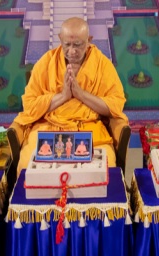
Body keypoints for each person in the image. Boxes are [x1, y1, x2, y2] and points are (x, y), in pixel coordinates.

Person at [11, 17, 127, 170]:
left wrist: (81, 94)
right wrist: (63, 96)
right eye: (67, 44)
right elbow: (30, 105)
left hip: (88, 129)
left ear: (89, 40)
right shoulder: (46, 63)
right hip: (49, 128)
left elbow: (115, 104)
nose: (72, 51)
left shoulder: (102, 64)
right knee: (26, 165)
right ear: (60, 39)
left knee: (107, 166)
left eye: (78, 45)